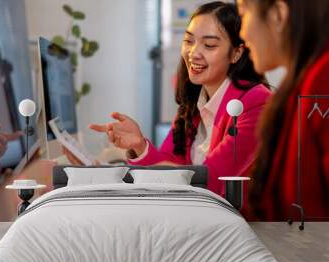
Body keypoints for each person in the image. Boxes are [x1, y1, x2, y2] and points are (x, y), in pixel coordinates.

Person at [86, 1, 271, 196]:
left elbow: (214, 180)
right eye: (189, 41)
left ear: (236, 53)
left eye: (209, 45)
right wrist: (139, 146)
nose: (193, 53)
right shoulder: (193, 104)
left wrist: (167, 173)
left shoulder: (255, 102)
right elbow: (168, 161)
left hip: (245, 223)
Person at [237, 0, 329, 220]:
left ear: (278, 14)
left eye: (244, 12)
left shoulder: (322, 80)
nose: (242, 33)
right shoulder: (300, 82)